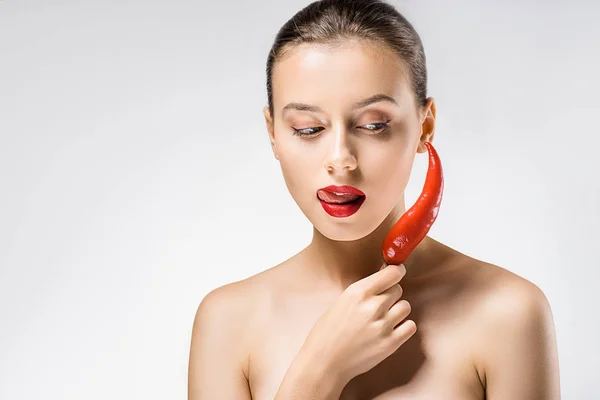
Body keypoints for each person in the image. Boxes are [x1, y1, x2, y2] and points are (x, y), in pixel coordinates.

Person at [187, 0, 560, 398]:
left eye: (373, 125)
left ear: (424, 126)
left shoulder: (508, 312)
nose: (340, 160)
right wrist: (320, 370)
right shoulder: (227, 321)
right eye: (308, 129)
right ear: (274, 133)